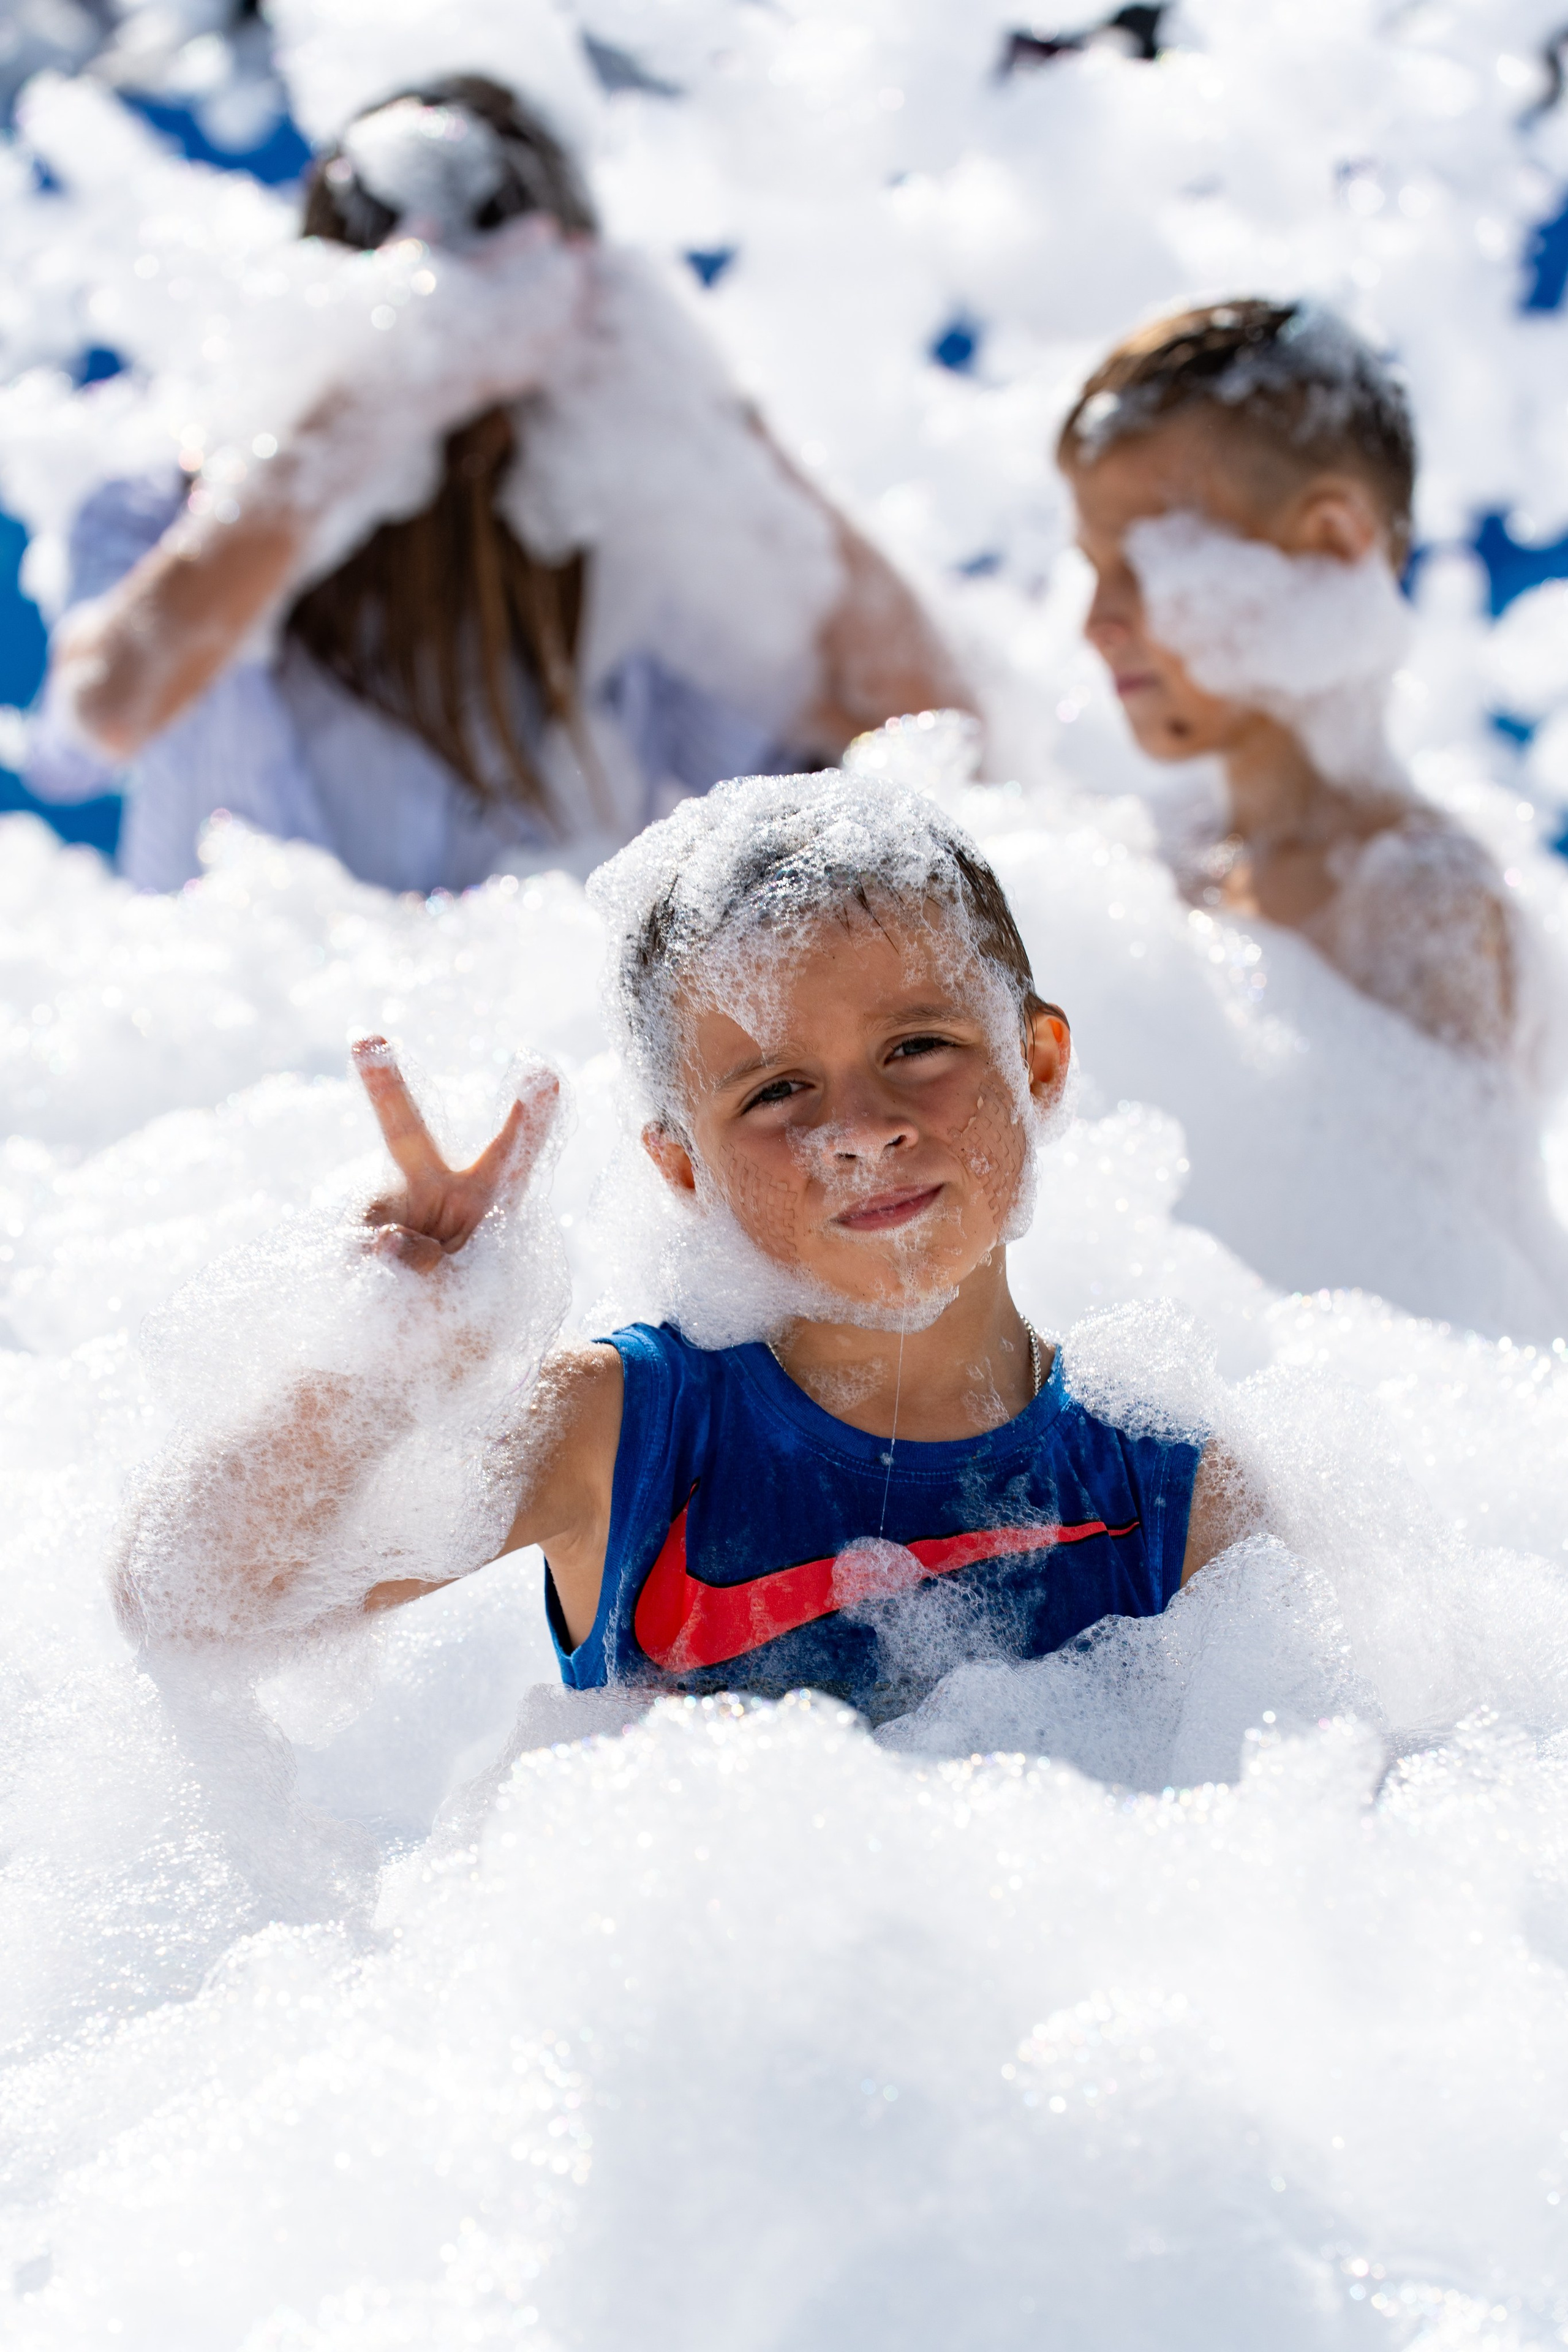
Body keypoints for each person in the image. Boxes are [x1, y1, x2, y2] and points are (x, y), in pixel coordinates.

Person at [115, 772, 1243, 1727]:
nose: (858, 1131)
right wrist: (377, 1363)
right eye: (779, 1089)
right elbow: (189, 1610)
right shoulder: (633, 1439)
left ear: (1037, 1067)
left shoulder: (1165, 1489)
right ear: (683, 1168)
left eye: (918, 1045)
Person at [32, 76, 970, 895]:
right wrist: (376, 394)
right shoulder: (167, 511)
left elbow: (929, 738)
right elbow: (104, 715)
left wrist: (691, 400)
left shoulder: (630, 549)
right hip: (252, 1073)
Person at [1058, 299, 1523, 1065]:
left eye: (1141, 564)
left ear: (1332, 548)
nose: (1095, 622)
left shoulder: (1419, 904)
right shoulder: (1157, 851)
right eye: (1093, 569)